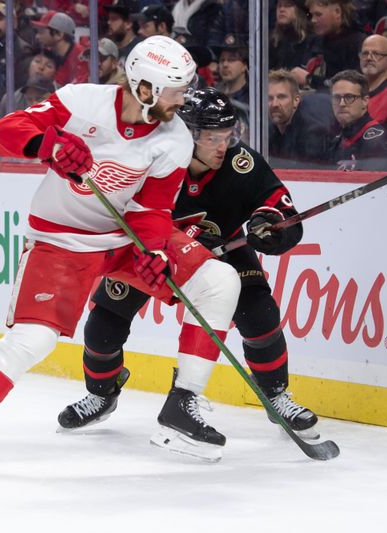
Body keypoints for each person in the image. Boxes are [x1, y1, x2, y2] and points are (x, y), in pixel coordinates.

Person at [0, 36, 241, 470]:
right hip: (62, 242)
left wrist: (156, 252)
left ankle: (182, 406)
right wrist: (47, 146)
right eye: (176, 90)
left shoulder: (175, 139)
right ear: (144, 88)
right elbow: (6, 132)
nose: (183, 99)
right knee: (33, 340)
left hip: (124, 236)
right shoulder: (81, 102)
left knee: (220, 281)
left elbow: (152, 208)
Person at [57, 88, 320, 460]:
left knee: (260, 315)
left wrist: (270, 226)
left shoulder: (241, 164)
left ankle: (276, 396)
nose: (222, 146)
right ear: (186, 134)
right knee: (103, 326)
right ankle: (101, 394)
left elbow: (282, 211)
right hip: (151, 253)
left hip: (222, 255)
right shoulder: (153, 159)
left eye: (228, 136)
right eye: (213, 138)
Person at [328, 69, 387, 170]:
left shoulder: (377, 142)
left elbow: (379, 185)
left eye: (349, 97)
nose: (342, 104)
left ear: (365, 101)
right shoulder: (337, 141)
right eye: (336, 98)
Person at [295, 0, 365, 91]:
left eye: (318, 14)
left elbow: (350, 87)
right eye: (311, 15)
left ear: (337, 12)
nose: (313, 20)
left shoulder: (358, 44)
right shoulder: (313, 41)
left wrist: (310, 80)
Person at [268, 69, 330, 162]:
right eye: (269, 98)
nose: (274, 104)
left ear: (296, 100)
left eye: (281, 97)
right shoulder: (265, 132)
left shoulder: (312, 134)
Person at [32, 11, 88, 85]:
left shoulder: (82, 57)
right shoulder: (49, 52)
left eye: (41, 32)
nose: (37, 36)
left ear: (59, 35)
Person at [269, 0, 316, 71]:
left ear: (299, 11)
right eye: (279, 6)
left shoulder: (311, 41)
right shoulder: (274, 42)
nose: (281, 9)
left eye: (287, 5)